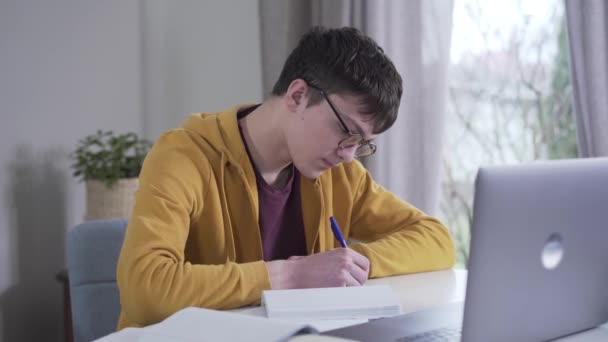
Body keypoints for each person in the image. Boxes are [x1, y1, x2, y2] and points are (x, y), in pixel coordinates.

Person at [116, 26, 455, 329]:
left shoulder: (340, 173)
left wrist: (353, 265)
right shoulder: (183, 156)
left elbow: (435, 239)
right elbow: (145, 290)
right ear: (297, 96)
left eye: (361, 143)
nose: (349, 154)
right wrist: (293, 275)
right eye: (345, 131)